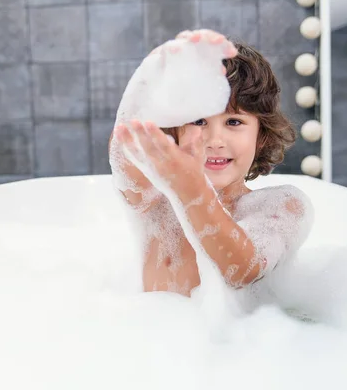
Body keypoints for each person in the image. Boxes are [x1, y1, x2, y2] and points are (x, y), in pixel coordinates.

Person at [108, 29, 313, 300]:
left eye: (234, 122)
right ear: (174, 130)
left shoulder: (282, 207)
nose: (214, 140)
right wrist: (146, 83)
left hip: (236, 340)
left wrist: (194, 193)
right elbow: (125, 152)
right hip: (152, 333)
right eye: (199, 121)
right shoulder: (155, 201)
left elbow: (242, 271)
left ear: (261, 137)